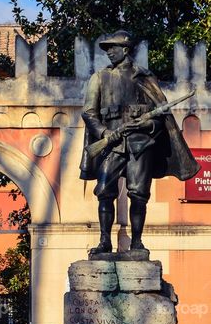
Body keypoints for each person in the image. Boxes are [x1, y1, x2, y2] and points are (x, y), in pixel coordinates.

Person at [80, 30, 198, 255]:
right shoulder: (99, 78)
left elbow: (160, 115)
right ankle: (105, 241)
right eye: (107, 49)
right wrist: (104, 132)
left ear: (125, 50)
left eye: (113, 48)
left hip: (139, 144)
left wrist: (146, 125)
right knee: (104, 191)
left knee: (138, 193)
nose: (109, 52)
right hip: (111, 143)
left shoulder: (145, 77)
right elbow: (89, 112)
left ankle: (136, 243)